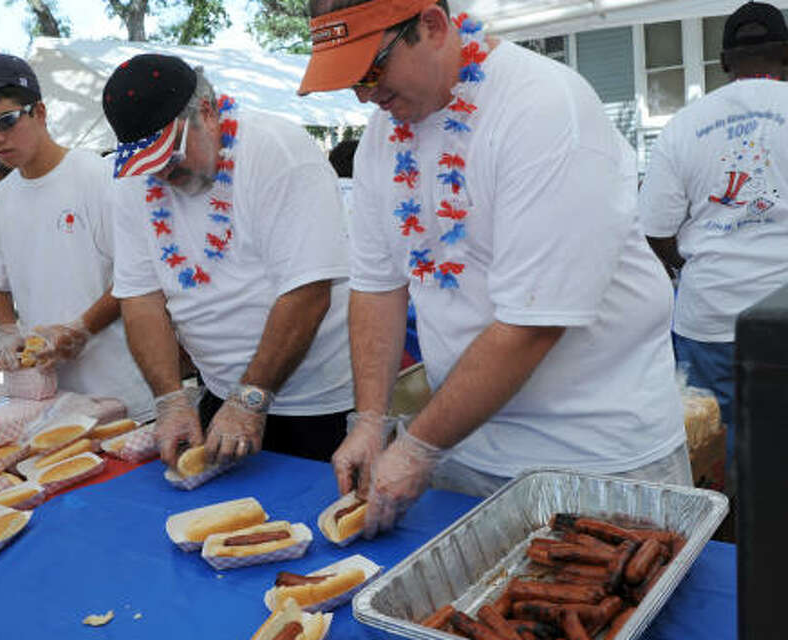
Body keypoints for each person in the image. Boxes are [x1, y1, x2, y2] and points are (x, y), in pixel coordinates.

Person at [299, 0, 690, 536]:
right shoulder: (379, 141)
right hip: (462, 450)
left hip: (598, 459)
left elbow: (533, 324)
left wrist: (415, 447)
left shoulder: (542, 106)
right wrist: (370, 420)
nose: (364, 95)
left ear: (432, 26)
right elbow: (377, 287)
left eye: (370, 69)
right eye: (349, 80)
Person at [102, 54, 354, 467]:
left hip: (318, 399)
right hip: (219, 391)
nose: (162, 172)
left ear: (207, 112)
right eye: (148, 163)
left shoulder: (277, 150)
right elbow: (140, 298)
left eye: (170, 155)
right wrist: (170, 400)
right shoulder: (136, 183)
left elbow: (307, 292)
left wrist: (249, 398)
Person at [0, 53, 155, 422]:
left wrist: (81, 328)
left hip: (122, 391)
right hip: (47, 399)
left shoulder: (96, 176)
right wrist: (6, 332)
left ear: (39, 112)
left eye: (6, 121)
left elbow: (137, 275)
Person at [639, 1, 788, 466]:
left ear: (723, 62)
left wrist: (689, 263)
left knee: (713, 448)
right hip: (783, 311)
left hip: (710, 316)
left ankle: (728, 514)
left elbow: (654, 230)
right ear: (786, 55)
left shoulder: (684, 126)